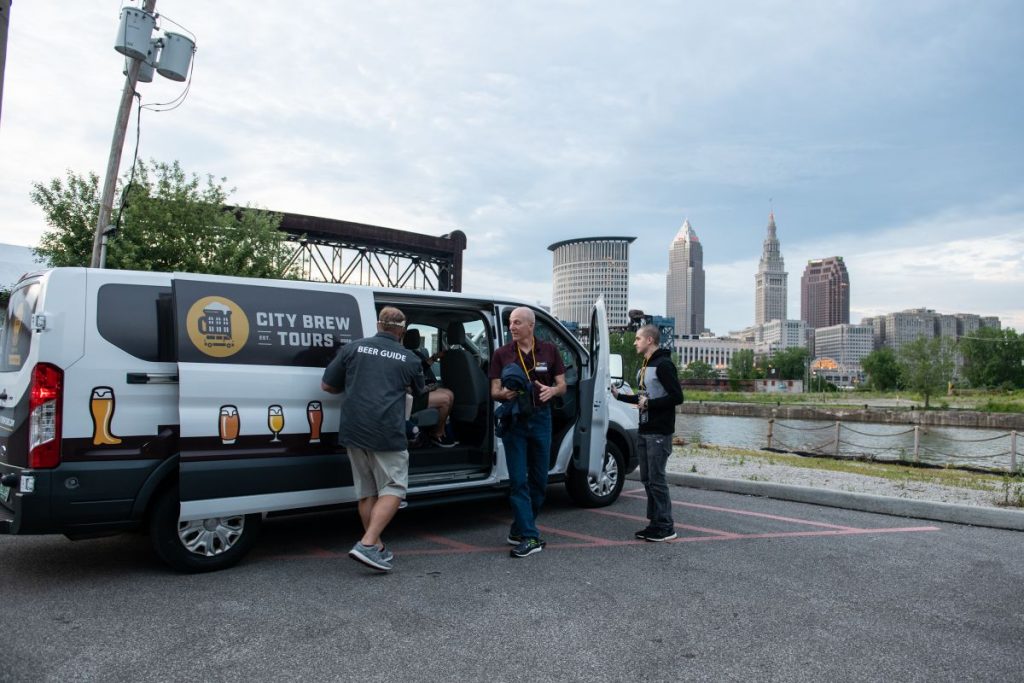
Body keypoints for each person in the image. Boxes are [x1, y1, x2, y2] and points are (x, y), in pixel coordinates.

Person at [321, 306, 426, 572]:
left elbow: (328, 385)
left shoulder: (353, 348)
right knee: (394, 487)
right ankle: (367, 544)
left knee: (367, 491)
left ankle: (376, 547)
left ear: (379, 325)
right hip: (386, 431)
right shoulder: (409, 358)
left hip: (353, 429)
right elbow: (420, 394)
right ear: (402, 330)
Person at [489, 307, 566, 558]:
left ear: (531, 325)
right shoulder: (502, 354)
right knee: (518, 481)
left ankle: (519, 528)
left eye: (517, 323)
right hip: (515, 420)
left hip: (542, 419)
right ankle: (531, 537)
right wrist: (504, 394)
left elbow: (562, 385)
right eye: (511, 323)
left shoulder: (549, 350)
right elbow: (494, 391)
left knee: (540, 481)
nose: (511, 327)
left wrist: (552, 391)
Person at [611, 324, 683, 542]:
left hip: (659, 431)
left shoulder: (663, 365)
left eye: (638, 339)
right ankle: (655, 523)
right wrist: (619, 396)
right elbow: (643, 398)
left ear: (649, 340)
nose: (635, 342)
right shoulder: (646, 365)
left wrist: (650, 404)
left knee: (657, 479)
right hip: (645, 429)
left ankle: (666, 526)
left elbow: (677, 397)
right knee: (647, 479)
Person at [402, 328, 458, 447]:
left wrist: (435, 357)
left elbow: (422, 368)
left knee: (450, 393)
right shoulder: (404, 356)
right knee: (446, 399)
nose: (417, 339)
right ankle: (437, 433)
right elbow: (413, 385)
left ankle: (441, 429)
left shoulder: (416, 354)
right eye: (414, 338)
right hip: (411, 397)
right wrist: (429, 388)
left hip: (419, 390)